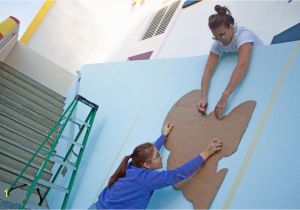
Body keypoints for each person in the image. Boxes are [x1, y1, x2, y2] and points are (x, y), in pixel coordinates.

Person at [89, 124, 222, 209]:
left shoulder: (133, 165)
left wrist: (163, 136)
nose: (161, 157)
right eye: (158, 156)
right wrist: (206, 152)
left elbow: (151, 151)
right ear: (147, 165)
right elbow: (177, 174)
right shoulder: (147, 178)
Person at [197, 5, 264, 119]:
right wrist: (203, 96)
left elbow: (242, 66)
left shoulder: (243, 35)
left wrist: (225, 96)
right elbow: (208, 70)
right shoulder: (218, 43)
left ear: (231, 27)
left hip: (262, 65)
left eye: (222, 34)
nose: (219, 39)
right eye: (215, 37)